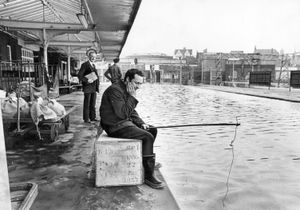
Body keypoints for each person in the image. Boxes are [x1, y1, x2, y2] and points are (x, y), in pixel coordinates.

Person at [100, 68, 164, 189]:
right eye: (136, 83)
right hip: (113, 126)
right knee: (147, 137)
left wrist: (141, 123)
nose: (138, 86)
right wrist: (133, 97)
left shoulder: (125, 88)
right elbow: (122, 113)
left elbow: (131, 111)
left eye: (140, 83)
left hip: (122, 122)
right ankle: (148, 176)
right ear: (128, 79)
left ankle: (145, 163)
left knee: (152, 129)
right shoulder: (115, 90)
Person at [78, 49, 99, 123]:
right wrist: (87, 80)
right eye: (92, 56)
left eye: (95, 57)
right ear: (89, 57)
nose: (93, 58)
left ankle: (92, 117)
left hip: (93, 87)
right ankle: (86, 119)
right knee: (87, 104)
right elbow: (80, 76)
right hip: (87, 87)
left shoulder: (93, 65)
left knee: (92, 103)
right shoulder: (85, 64)